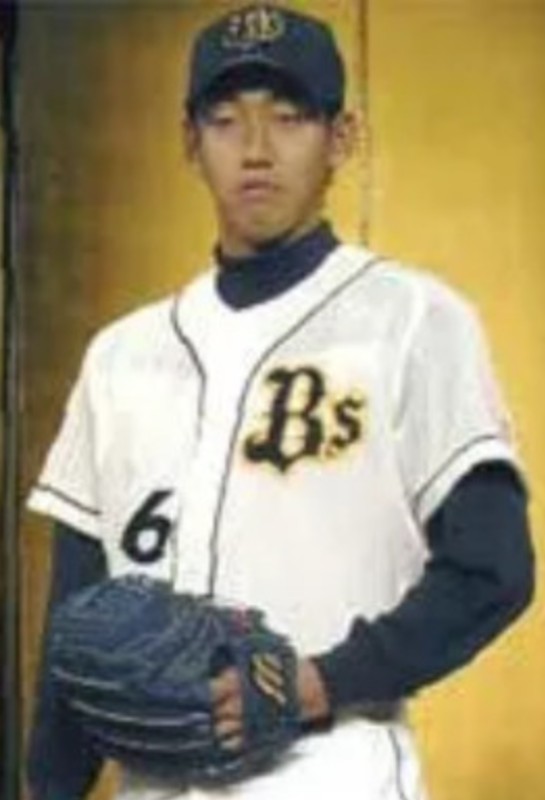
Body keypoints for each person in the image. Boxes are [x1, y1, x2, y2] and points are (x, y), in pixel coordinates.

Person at [26, 4, 534, 800]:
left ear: (340, 138)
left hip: (334, 775)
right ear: (189, 142)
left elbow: (492, 572)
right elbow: (75, 630)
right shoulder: (121, 357)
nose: (255, 149)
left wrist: (317, 682)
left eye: (289, 117)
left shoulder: (413, 321)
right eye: (225, 120)